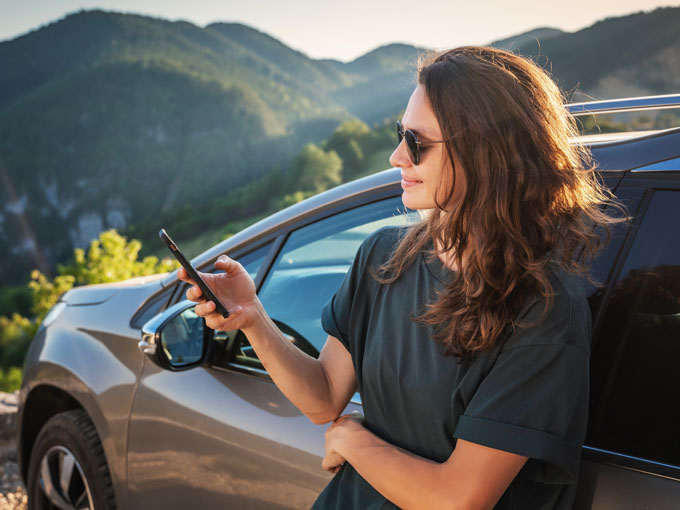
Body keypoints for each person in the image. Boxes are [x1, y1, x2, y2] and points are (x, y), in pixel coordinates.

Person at [178, 46, 624, 510]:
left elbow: (458, 500)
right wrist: (254, 319)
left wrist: (353, 441)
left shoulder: (544, 309)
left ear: (487, 155)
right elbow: (324, 397)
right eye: (400, 135)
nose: (395, 157)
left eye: (416, 143)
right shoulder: (384, 255)